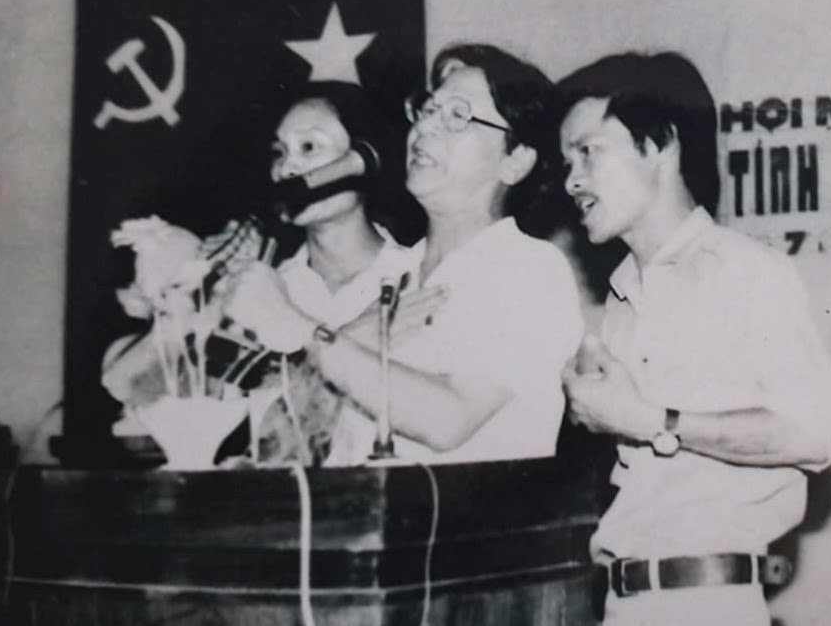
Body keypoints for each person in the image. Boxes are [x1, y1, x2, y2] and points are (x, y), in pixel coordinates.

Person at [555, 52, 831, 625]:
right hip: (623, 603)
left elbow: (815, 432)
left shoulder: (743, 269)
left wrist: (650, 420)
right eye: (567, 162)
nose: (572, 180)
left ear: (660, 142)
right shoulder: (620, 300)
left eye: (588, 152)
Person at [224, 43, 584, 463]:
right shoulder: (391, 276)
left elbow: (448, 420)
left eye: (457, 115)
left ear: (515, 162)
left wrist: (303, 330)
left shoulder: (529, 269)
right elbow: (281, 445)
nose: (426, 126)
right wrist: (344, 339)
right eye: (427, 109)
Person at [102, 81, 430, 466]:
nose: (287, 168)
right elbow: (123, 386)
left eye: (309, 147)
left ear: (362, 158)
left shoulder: (416, 276)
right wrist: (194, 303)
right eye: (280, 152)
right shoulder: (264, 289)